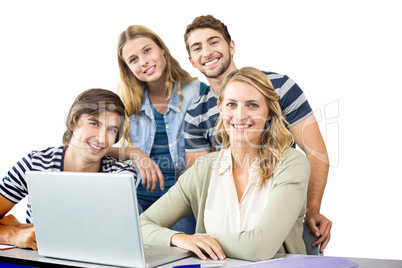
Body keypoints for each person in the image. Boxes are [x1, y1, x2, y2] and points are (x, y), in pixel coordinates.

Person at [182, 15, 331, 251]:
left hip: (275, 211)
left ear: (231, 46)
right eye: (197, 47)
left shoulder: (280, 86)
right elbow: (201, 183)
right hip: (227, 225)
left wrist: (312, 209)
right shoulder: (195, 114)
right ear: (191, 60)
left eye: (214, 42)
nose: (207, 52)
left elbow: (315, 152)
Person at [140, 67, 310, 261]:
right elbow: (143, 224)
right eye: (231, 104)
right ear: (220, 108)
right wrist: (178, 238)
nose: (240, 115)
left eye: (252, 105)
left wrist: (201, 240)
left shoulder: (291, 164)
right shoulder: (203, 169)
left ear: (269, 112)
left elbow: (259, 248)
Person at [0, 88, 137, 250]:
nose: (102, 138)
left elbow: (95, 236)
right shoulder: (35, 164)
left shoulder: (121, 175)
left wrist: (20, 226)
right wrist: (11, 235)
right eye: (94, 123)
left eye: (111, 129)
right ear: (73, 123)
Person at [107, 25, 205, 233]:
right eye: (133, 59)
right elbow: (92, 148)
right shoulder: (124, 102)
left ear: (162, 49)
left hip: (181, 201)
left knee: (180, 257)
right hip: (136, 197)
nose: (143, 62)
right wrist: (134, 153)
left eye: (147, 50)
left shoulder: (198, 92)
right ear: (127, 67)